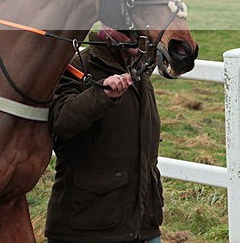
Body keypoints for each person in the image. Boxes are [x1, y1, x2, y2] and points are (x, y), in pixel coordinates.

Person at [45, 26, 164, 243]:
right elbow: (60, 121)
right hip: (87, 229)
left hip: (143, 225)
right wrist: (102, 95)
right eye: (132, 37)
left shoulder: (138, 64)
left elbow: (176, 52)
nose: (139, 44)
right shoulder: (78, 64)